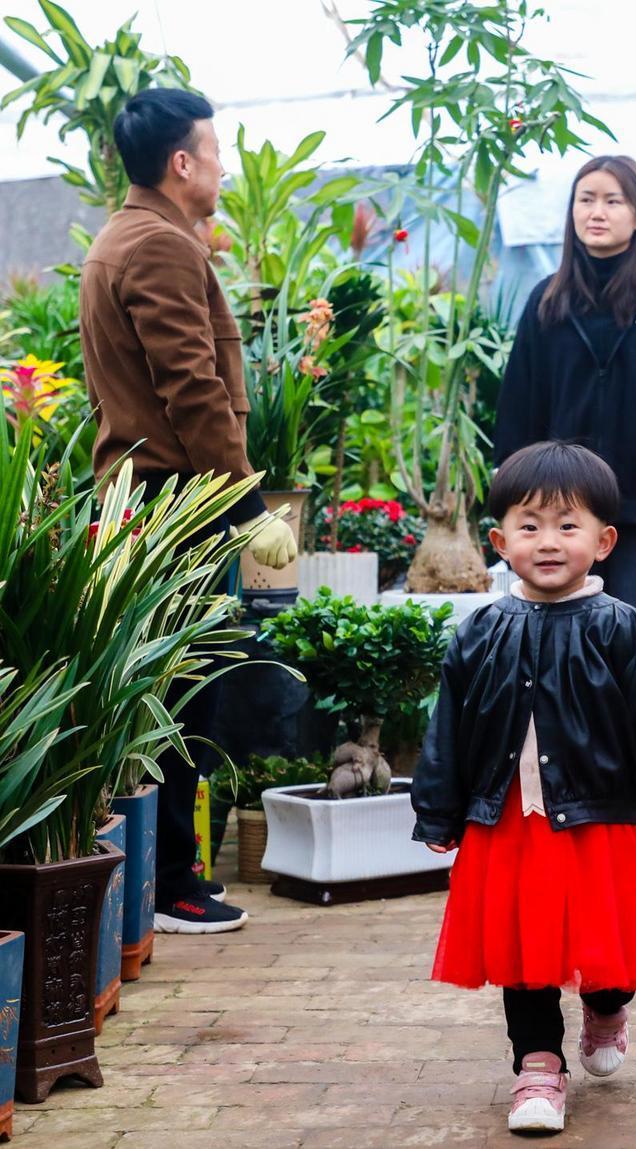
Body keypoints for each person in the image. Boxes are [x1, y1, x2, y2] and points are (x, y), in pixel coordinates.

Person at [412, 441, 636, 1135]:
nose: (548, 542)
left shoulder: (621, 627)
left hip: (599, 818)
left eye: (568, 526)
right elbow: (449, 728)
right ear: (499, 539)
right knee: (522, 948)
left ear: (604, 540)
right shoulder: (479, 632)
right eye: (530, 525)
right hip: (508, 821)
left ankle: (607, 1005)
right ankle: (537, 1064)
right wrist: (439, 809)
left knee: (607, 940)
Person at [79, 87, 299, 935]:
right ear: (181, 163)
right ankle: (171, 881)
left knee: (175, 687)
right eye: (213, 151)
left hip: (153, 499)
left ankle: (169, 875)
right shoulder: (160, 248)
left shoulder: (135, 237)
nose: (221, 165)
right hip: (178, 501)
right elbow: (193, 390)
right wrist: (243, 502)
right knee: (184, 691)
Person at [493, 155, 636, 840]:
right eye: (585, 199)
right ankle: (582, 780)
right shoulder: (546, 301)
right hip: (558, 512)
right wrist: (514, 506)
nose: (597, 211)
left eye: (613, 200)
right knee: (563, 642)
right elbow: (517, 408)